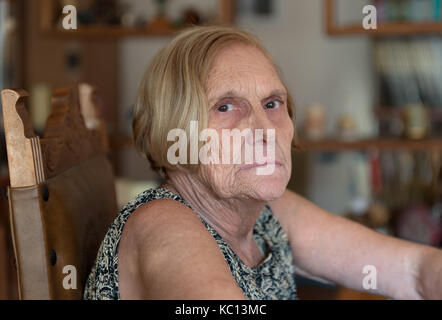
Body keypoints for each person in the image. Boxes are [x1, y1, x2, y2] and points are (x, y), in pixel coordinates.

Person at [84, 26, 442, 300]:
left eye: (272, 104)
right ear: (174, 130)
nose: (263, 129)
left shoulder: (268, 212)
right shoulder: (163, 225)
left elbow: (414, 271)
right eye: (225, 107)